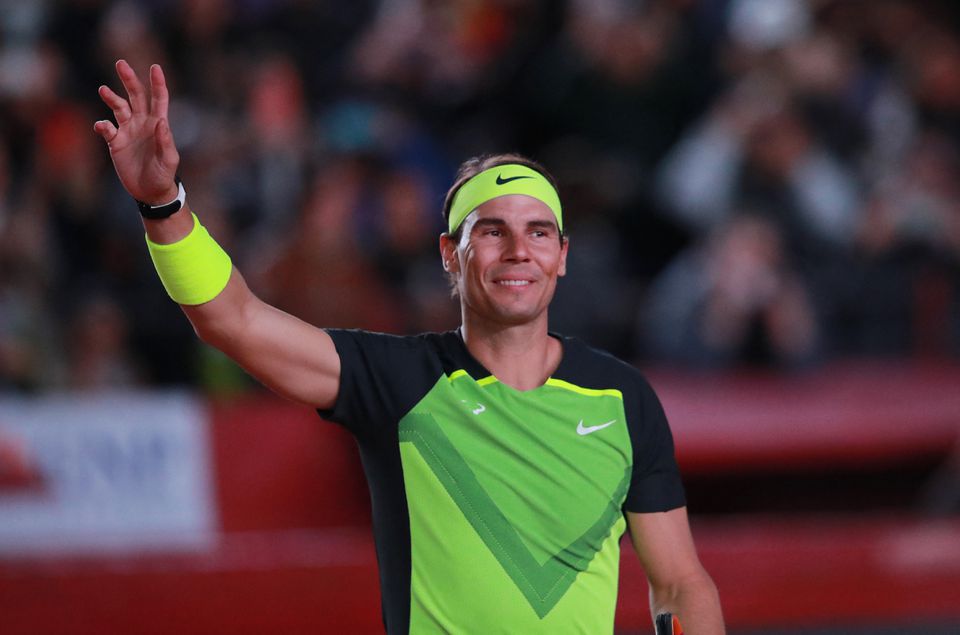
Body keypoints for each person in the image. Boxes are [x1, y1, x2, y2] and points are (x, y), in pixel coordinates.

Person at [94, 60, 724, 635]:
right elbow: (233, 321)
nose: (518, 252)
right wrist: (162, 204)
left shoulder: (624, 397)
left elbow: (679, 582)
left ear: (562, 255)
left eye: (538, 232)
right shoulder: (398, 380)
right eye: (493, 231)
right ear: (451, 254)